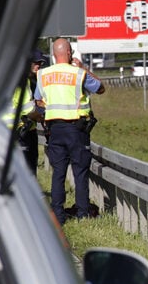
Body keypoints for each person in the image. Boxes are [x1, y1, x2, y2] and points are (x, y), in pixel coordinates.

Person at [34, 38, 105, 223]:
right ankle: (82, 214)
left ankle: (58, 215)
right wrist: (84, 68)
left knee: (58, 172)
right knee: (79, 171)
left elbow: (38, 101)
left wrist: (46, 117)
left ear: (53, 55)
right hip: (76, 129)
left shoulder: (42, 74)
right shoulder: (78, 73)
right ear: (69, 53)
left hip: (55, 130)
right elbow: (101, 88)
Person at [2, 49, 48, 173]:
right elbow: (28, 110)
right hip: (20, 132)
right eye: (35, 62)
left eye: (40, 63)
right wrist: (43, 111)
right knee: (27, 171)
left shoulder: (17, 78)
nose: (38, 66)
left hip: (14, 131)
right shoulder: (20, 81)